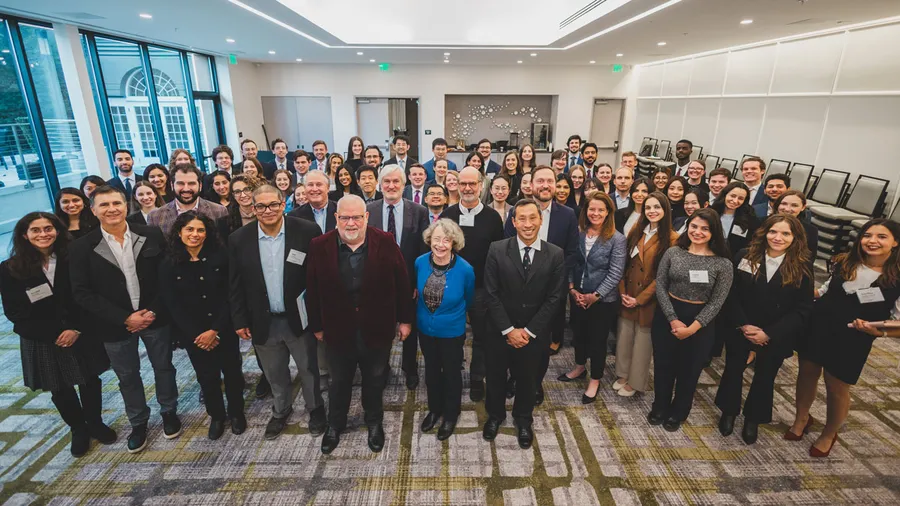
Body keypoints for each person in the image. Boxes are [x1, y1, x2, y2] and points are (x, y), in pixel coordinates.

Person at [69, 186, 180, 453]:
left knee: (163, 366)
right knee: (128, 375)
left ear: (125, 205)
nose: (112, 209)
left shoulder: (151, 234)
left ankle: (169, 412)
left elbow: (167, 276)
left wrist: (151, 311)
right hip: (114, 325)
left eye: (116, 203)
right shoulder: (81, 247)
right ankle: (138, 421)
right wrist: (124, 318)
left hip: (154, 317)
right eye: (104, 205)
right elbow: (82, 293)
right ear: (93, 210)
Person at [0, 212, 116, 457]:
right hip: (42, 337)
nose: (43, 234)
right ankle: (78, 429)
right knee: (59, 386)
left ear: (57, 230)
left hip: (80, 329)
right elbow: (15, 312)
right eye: (36, 230)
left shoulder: (73, 257)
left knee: (90, 379)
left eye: (48, 228)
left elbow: (88, 295)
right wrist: (56, 333)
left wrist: (75, 328)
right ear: (24, 234)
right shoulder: (11, 268)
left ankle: (95, 422)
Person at [306, 195, 413, 454]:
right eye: (345, 218)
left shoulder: (385, 242)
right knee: (339, 381)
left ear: (366, 217)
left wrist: (406, 320)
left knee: (374, 379)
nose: (351, 223)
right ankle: (335, 424)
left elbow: (402, 283)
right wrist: (317, 326)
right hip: (337, 329)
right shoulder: (319, 245)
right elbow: (312, 289)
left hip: (377, 328)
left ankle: (374, 421)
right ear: (336, 219)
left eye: (356, 217)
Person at [788, 219, 900, 457]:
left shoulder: (896, 279)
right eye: (867, 235)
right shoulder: (845, 262)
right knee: (807, 372)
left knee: (836, 386)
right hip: (818, 326)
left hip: (854, 337)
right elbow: (824, 291)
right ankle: (801, 418)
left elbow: (897, 322)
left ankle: (829, 433)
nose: (872, 241)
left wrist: (878, 332)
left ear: (895, 242)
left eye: (882, 237)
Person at [228, 185, 326, 440]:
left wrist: (318, 316)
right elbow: (235, 284)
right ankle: (281, 410)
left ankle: (315, 409)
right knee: (275, 372)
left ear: (284, 204)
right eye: (260, 206)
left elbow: (317, 277)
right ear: (253, 208)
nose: (267, 210)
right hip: (262, 319)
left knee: (308, 369)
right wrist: (239, 320)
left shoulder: (306, 231)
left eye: (273, 204)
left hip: (299, 318)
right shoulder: (239, 238)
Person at [715, 214, 813, 445]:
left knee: (765, 376)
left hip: (776, 333)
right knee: (733, 369)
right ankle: (729, 411)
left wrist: (769, 333)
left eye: (785, 233)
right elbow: (731, 294)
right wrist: (743, 324)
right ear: (764, 232)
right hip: (742, 327)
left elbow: (803, 308)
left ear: (795, 237)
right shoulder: (745, 256)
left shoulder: (802, 266)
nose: (778, 237)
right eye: (773, 232)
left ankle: (753, 419)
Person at [483, 198, 566, 449]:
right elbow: (491, 293)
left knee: (529, 379)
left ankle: (523, 420)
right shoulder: (497, 249)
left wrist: (528, 332)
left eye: (533, 218)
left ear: (541, 220)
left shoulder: (555, 254)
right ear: (513, 221)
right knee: (496, 377)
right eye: (522, 219)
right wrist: (509, 330)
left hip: (535, 332)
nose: (527, 224)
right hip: (499, 330)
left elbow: (554, 298)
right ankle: (495, 416)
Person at [159, 212, 246, 440]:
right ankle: (217, 416)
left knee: (233, 372)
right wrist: (198, 334)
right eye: (189, 229)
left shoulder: (221, 256)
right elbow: (172, 304)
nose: (194, 235)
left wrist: (215, 329)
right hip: (193, 334)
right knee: (206, 377)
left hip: (223, 328)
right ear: (179, 232)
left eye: (200, 230)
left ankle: (237, 412)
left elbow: (232, 295)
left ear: (207, 233)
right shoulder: (169, 262)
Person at [649, 208, 733, 432]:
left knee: (689, 371)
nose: (698, 232)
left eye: (705, 229)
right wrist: (673, 319)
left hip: (700, 323)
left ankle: (679, 411)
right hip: (668, 315)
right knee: (663, 365)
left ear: (714, 232)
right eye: (694, 226)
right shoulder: (674, 252)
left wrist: (693, 328)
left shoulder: (723, 264)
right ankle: (660, 405)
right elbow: (661, 285)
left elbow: (717, 302)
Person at [503, 166, 578, 401]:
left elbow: (573, 253)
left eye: (550, 181)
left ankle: (535, 383)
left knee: (540, 343)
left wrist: (553, 280)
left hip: (550, 293)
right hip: (517, 290)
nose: (545, 185)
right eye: (540, 181)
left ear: (555, 185)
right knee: (516, 339)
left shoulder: (567, 215)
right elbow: (506, 248)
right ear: (531, 184)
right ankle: (515, 377)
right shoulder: (516, 211)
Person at [439, 167, 504, 401]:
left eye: (472, 184)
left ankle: (477, 377)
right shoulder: (447, 215)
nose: (467, 188)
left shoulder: (493, 218)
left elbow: (499, 255)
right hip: (451, 287)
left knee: (481, 336)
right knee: (452, 335)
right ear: (456, 184)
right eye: (462, 183)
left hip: (482, 288)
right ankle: (453, 373)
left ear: (481, 185)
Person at [558, 193, 626, 403]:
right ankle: (579, 367)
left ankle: (595, 378)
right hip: (578, 295)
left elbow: (616, 272)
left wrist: (595, 296)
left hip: (603, 301)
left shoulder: (617, 238)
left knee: (597, 341)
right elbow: (571, 262)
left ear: (608, 213)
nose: (595, 213)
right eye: (591, 209)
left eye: (600, 210)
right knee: (579, 335)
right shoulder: (578, 234)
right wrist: (572, 288)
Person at [367, 164, 430, 389]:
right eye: (387, 182)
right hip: (376, 285)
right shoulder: (369, 210)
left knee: (409, 329)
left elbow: (424, 251)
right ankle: (382, 368)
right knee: (380, 330)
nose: (391, 186)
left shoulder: (419, 211)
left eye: (396, 181)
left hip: (408, 284)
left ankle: (410, 368)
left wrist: (416, 283)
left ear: (404, 185)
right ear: (379, 185)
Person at [614, 192, 677, 397]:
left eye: (657, 207)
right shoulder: (637, 230)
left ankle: (635, 381)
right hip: (628, 292)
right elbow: (623, 263)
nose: (652, 211)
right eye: (648, 207)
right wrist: (622, 292)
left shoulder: (673, 238)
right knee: (625, 336)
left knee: (642, 341)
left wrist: (640, 299)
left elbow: (663, 276)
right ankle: (622, 374)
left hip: (649, 298)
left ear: (665, 210)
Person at [416, 219, 475, 440]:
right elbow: (416, 292)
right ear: (429, 240)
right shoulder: (419, 263)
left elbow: (468, 299)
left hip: (452, 330)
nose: (440, 244)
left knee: (451, 372)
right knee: (431, 370)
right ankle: (435, 409)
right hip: (425, 328)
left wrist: (452, 317)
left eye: (446, 240)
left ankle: (451, 414)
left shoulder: (465, 269)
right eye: (436, 239)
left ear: (454, 243)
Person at [147, 164, 229, 235]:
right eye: (180, 183)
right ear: (172, 185)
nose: (186, 189)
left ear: (200, 186)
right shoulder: (155, 217)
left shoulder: (219, 211)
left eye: (191, 183)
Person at [711, 181, 760, 255]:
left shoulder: (750, 219)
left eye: (740, 198)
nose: (735, 201)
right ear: (725, 195)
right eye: (733, 196)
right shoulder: (711, 213)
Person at [773, 190, 818, 268]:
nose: (787, 209)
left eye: (794, 205)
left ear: (803, 207)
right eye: (784, 204)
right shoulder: (762, 223)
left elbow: (809, 259)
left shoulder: (811, 231)